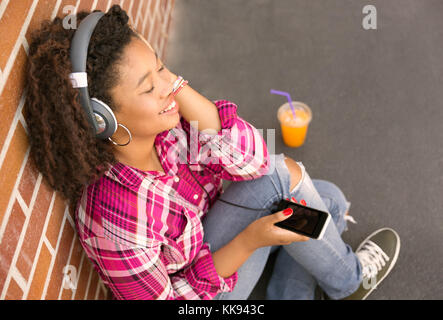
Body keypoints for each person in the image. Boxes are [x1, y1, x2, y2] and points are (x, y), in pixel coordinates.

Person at [24, 5, 400, 300]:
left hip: (219, 230)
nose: (169, 88)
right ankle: (349, 283)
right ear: (103, 119)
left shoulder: (167, 131)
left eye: (162, 68)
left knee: (326, 199)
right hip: (209, 289)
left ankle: (290, 294)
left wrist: (171, 84)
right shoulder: (114, 218)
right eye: (147, 87)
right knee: (289, 185)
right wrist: (251, 240)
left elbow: (251, 161)